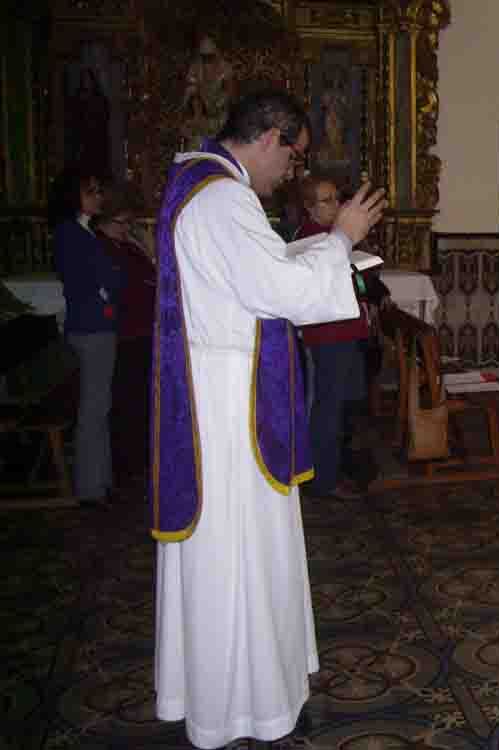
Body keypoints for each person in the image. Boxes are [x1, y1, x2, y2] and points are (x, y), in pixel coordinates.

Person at [151, 89, 386, 749]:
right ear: (271, 137)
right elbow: (278, 291)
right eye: (295, 156)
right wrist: (342, 239)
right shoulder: (224, 199)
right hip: (230, 410)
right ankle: (241, 706)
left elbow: (259, 274)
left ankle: (240, 692)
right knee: (240, 554)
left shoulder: (199, 184)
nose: (295, 172)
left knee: (242, 553)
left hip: (220, 388)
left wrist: (324, 255)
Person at [295, 173, 390, 498]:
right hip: (328, 335)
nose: (337, 205)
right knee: (328, 407)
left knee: (347, 404)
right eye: (327, 200)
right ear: (309, 208)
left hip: (347, 331)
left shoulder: (334, 236)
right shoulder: (311, 240)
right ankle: (322, 479)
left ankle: (342, 467)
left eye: (338, 197)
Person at [51, 168, 124, 506]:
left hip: (98, 324)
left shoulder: (84, 231)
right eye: (90, 191)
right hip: (91, 326)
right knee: (93, 408)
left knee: (100, 405)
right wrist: (105, 295)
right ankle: (90, 486)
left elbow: (107, 276)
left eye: (98, 190)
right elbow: (88, 281)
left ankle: (101, 479)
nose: (98, 197)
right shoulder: (70, 233)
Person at [94, 186, 156, 488]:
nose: (127, 228)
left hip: (145, 329)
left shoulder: (128, 245)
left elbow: (152, 272)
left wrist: (142, 244)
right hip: (126, 331)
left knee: (141, 399)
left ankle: (140, 458)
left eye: (129, 223)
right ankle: (126, 464)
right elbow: (123, 285)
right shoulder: (102, 246)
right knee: (126, 400)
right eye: (123, 223)